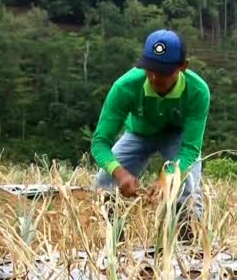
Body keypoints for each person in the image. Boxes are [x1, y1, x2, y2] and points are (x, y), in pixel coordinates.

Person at [90, 29, 210, 221]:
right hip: (138, 134)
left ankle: (191, 240)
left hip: (176, 135)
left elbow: (191, 149)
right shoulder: (125, 87)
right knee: (104, 183)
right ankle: (112, 239)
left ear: (182, 66)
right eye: (149, 68)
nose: (154, 77)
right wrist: (121, 175)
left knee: (186, 186)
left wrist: (168, 177)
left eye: (163, 71)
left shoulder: (198, 91)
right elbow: (99, 143)